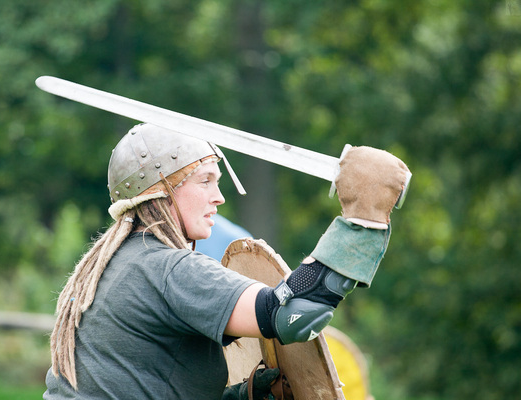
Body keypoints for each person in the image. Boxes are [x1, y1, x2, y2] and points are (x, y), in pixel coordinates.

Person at [43, 123, 410, 399]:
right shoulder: (169, 269)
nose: (218, 197)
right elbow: (295, 312)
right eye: (205, 181)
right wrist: (363, 220)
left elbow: (139, 385)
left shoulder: (119, 263)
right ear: (162, 189)